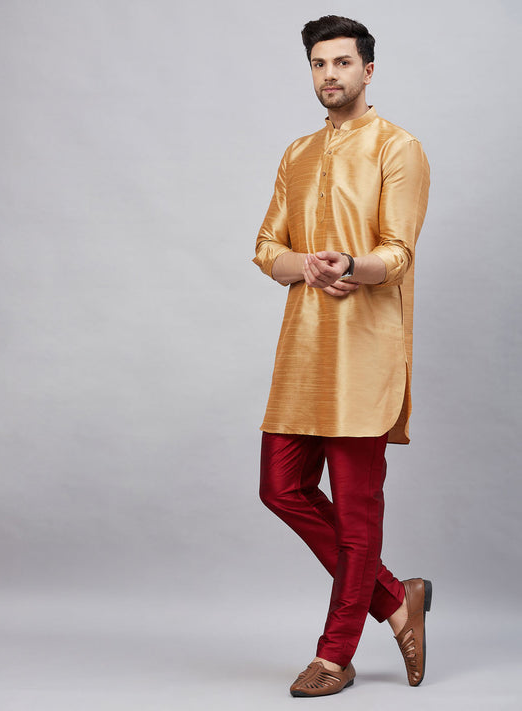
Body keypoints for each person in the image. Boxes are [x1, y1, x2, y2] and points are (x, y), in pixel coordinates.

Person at [253, 15, 432, 698]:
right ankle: (395, 597)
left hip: (364, 355)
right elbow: (267, 249)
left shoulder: (398, 148)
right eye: (318, 64)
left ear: (368, 70)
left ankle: (335, 656)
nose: (329, 74)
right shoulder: (297, 153)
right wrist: (306, 264)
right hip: (302, 354)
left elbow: (398, 252)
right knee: (281, 488)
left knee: (357, 516)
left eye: (342, 62)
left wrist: (351, 266)